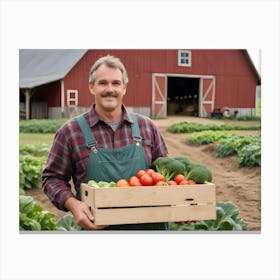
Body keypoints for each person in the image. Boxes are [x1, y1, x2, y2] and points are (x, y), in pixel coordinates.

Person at [42, 55, 169, 230]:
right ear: (91, 87)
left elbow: (166, 175)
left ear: (124, 88)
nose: (110, 89)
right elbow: (52, 178)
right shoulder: (70, 132)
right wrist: (73, 205)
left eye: (116, 83)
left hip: (150, 227)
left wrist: (179, 205)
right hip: (97, 228)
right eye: (103, 83)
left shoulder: (147, 127)